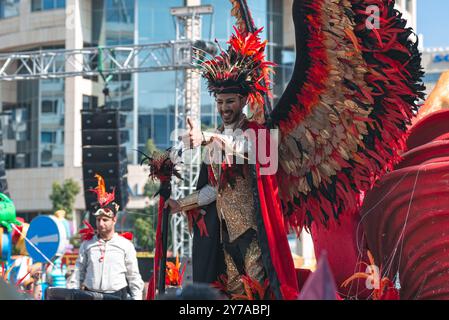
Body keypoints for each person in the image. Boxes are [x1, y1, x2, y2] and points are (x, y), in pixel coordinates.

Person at [165, 28, 299, 299]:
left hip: (255, 235)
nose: (224, 107)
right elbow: (214, 190)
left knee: (258, 296)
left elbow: (245, 149)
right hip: (227, 237)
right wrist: (180, 204)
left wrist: (206, 137)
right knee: (235, 297)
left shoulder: (258, 133)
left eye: (229, 101)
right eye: (220, 102)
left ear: (243, 101)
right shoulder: (215, 140)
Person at [67, 175, 144, 300]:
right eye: (98, 220)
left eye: (105, 220)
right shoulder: (87, 244)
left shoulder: (125, 245)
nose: (100, 223)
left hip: (116, 295)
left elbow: (133, 276)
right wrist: (71, 294)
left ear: (114, 220)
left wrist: (137, 298)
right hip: (89, 294)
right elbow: (78, 272)